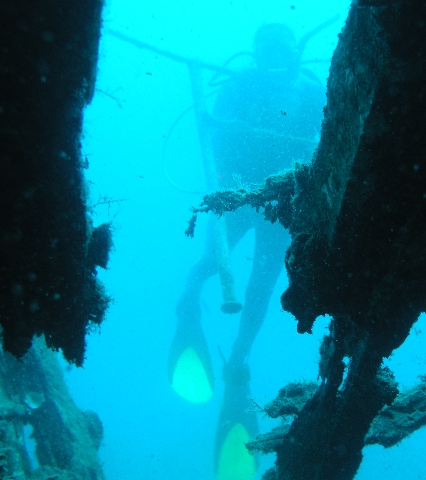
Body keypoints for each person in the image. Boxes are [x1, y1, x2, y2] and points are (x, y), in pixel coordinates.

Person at [168, 23, 325, 480]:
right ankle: (187, 307)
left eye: (281, 48)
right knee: (210, 265)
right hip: (240, 194)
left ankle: (238, 360)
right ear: (257, 53)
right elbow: (216, 137)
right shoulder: (239, 85)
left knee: (261, 285)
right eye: (268, 49)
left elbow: (328, 139)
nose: (275, 56)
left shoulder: (311, 92)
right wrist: (222, 137)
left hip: (283, 202)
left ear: (295, 51)